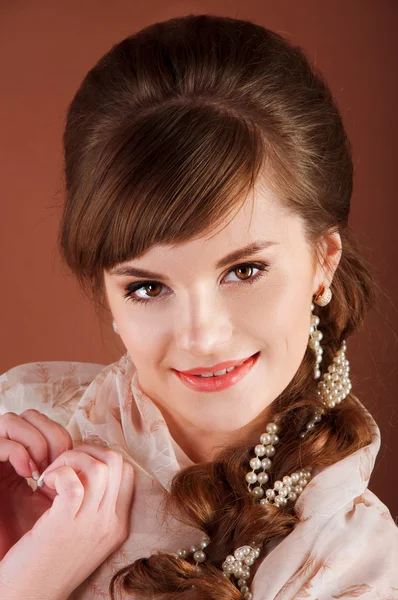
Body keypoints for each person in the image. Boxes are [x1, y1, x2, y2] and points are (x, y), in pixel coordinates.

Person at [0, 13, 397, 600]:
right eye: (148, 287)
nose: (201, 336)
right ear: (108, 293)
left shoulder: (350, 559)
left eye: (245, 270)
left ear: (323, 261)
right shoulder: (22, 423)